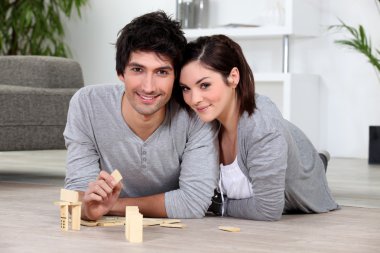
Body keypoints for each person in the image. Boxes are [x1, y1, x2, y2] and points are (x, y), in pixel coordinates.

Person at [63, 11, 219, 221]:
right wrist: (89, 208)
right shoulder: (87, 104)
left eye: (162, 72)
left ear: (176, 77)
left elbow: (193, 203)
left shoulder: (195, 113)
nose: (148, 87)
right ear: (121, 72)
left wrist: (111, 206)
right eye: (137, 69)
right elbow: (77, 194)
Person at [176, 34, 339, 221]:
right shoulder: (202, 119)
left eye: (204, 85)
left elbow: (267, 209)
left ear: (233, 77)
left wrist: (219, 205)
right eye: (185, 88)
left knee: (304, 163)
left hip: (302, 164)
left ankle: (321, 160)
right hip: (278, 139)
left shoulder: (262, 129)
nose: (194, 99)